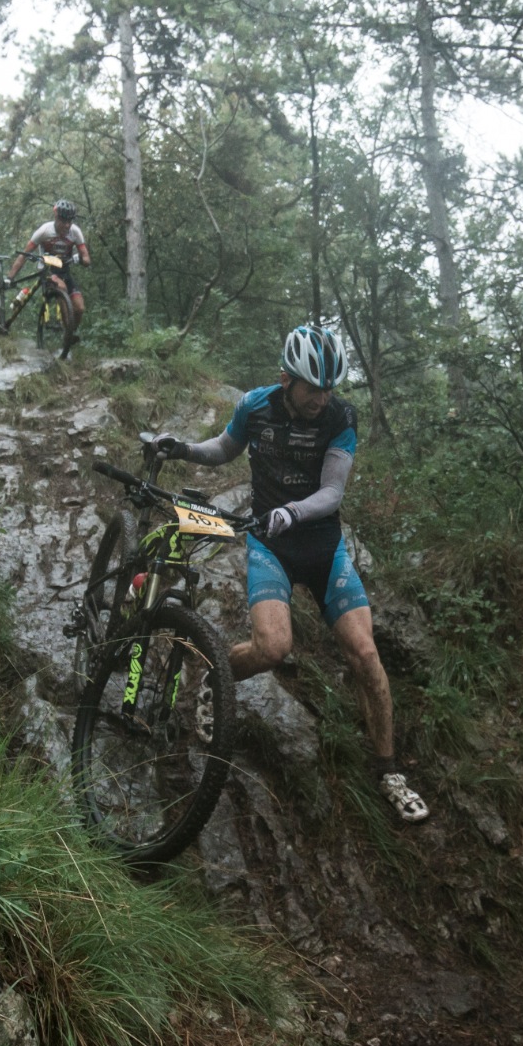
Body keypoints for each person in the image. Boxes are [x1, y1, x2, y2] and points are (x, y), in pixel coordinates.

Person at [156, 325, 430, 823]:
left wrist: (292, 511)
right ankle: (216, 679)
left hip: (324, 549)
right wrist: (182, 449)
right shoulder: (256, 406)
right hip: (271, 547)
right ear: (286, 379)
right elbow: (224, 448)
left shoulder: (340, 416)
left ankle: (389, 771)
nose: (321, 399)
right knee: (272, 648)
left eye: (328, 388)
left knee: (366, 653)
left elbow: (332, 492)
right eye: (312, 388)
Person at [9, 198, 91, 331]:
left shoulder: (75, 232)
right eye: (63, 221)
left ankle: (69, 337)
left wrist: (81, 259)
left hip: (64, 272)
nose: (67, 225)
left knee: (80, 308)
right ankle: (67, 330)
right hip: (48, 271)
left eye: (70, 221)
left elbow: (86, 258)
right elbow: (24, 255)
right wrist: (10, 277)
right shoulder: (44, 231)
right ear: (56, 217)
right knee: (61, 287)